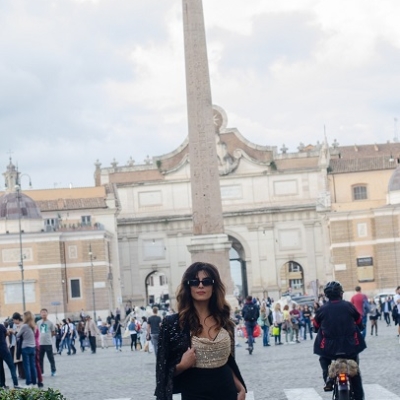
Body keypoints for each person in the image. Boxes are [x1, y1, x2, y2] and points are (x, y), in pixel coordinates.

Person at [155, 261, 246, 400]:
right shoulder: (173, 324)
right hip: (195, 394)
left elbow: (227, 361)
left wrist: (240, 388)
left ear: (214, 287)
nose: (201, 285)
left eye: (207, 281)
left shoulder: (225, 321)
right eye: (195, 281)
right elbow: (162, 373)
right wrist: (181, 365)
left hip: (227, 391)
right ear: (188, 286)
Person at [313, 281, 366, 400]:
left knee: (323, 359)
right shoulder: (348, 306)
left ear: (327, 295)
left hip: (328, 347)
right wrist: (360, 327)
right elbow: (358, 321)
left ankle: (328, 378)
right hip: (350, 346)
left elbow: (315, 324)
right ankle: (358, 396)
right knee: (355, 371)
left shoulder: (323, 309)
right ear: (341, 294)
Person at [17, 311, 37, 387]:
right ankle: (34, 382)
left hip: (25, 347)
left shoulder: (24, 326)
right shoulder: (33, 325)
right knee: (33, 365)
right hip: (33, 347)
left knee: (26, 366)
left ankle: (28, 382)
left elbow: (18, 335)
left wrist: (18, 330)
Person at [0, 320, 22, 390]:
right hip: (4, 349)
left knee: (0, 368)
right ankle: (15, 384)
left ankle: (2, 385)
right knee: (11, 366)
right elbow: (7, 334)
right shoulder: (1, 326)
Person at [37, 308, 56, 377]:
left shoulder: (50, 323)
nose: (44, 314)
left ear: (47, 314)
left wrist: (48, 337)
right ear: (40, 314)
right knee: (40, 358)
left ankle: (53, 370)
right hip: (40, 343)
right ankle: (41, 372)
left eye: (45, 312)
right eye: (42, 312)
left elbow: (53, 332)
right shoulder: (38, 322)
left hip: (48, 343)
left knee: (50, 358)